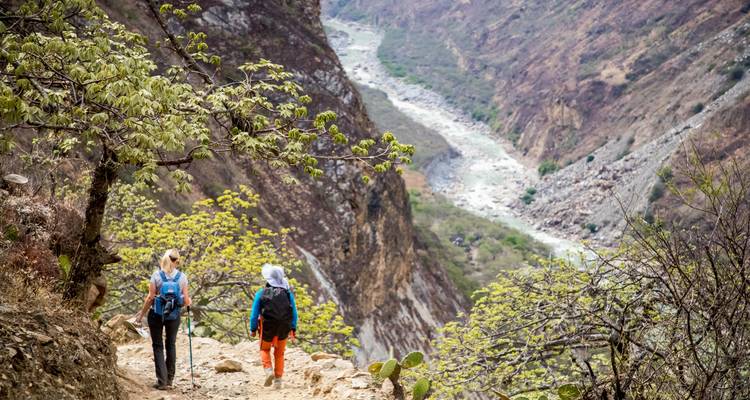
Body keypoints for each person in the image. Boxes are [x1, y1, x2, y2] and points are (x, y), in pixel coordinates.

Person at [134, 249, 191, 390]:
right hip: (174, 315)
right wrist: (186, 302)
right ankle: (170, 379)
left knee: (158, 346)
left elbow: (150, 297)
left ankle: (162, 381)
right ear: (177, 261)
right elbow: (186, 300)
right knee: (171, 344)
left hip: (156, 314)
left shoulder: (156, 276)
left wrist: (141, 314)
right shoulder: (182, 277)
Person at [250, 264, 298, 389]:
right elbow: (294, 313)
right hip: (284, 328)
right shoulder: (288, 294)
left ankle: (268, 370)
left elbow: (254, 313)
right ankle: (278, 380)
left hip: (267, 328)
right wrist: (293, 328)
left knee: (264, 349)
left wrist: (253, 328)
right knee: (279, 354)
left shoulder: (261, 293)